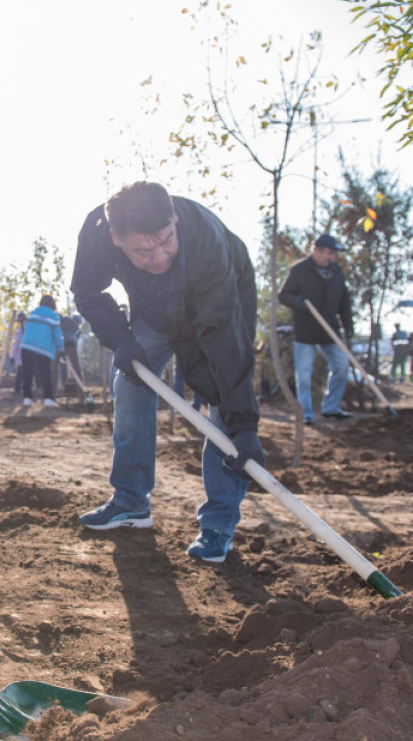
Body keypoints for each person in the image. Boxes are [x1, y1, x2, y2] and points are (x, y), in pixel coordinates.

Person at [71, 181, 263, 563]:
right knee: (129, 382)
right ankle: (130, 501)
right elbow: (88, 292)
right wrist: (120, 338)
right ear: (115, 239)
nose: (159, 257)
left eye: (166, 240)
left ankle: (218, 525)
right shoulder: (95, 234)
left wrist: (244, 423)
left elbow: (223, 336)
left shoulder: (207, 243)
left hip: (223, 299)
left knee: (223, 403)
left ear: (174, 218)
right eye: (143, 250)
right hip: (157, 307)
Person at [278, 234, 354, 425]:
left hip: (330, 330)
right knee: (303, 375)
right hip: (306, 331)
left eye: (333, 254)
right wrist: (299, 302)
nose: (332, 258)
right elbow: (283, 295)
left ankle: (331, 408)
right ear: (316, 251)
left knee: (342, 367)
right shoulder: (300, 270)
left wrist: (348, 327)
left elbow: (344, 302)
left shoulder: (336, 272)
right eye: (329, 253)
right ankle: (306, 414)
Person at [19, 294, 64, 407]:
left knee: (27, 373)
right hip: (43, 348)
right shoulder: (54, 316)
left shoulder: (33, 313)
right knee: (45, 373)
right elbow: (57, 335)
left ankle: (27, 398)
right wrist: (61, 349)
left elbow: (27, 328)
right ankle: (48, 398)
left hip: (27, 346)